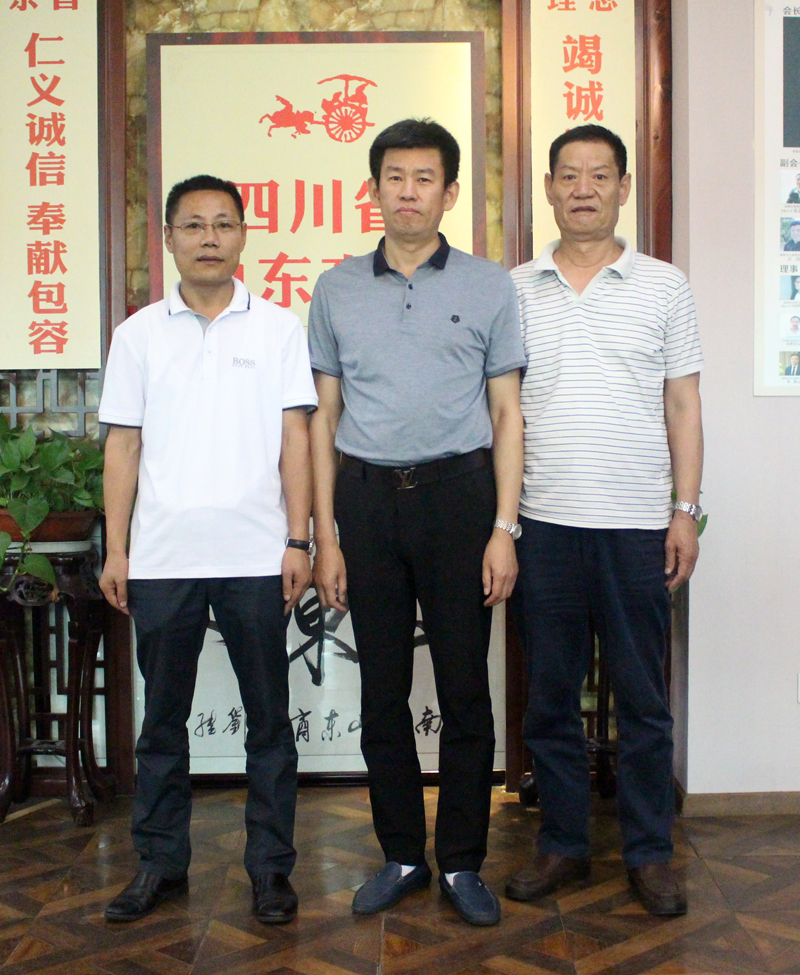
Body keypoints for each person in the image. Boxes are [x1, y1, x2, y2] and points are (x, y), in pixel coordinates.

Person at [308, 119, 525, 927]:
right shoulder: (335, 288)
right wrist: (326, 534)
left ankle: (462, 860)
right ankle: (402, 852)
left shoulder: (488, 285)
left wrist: (504, 526)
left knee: (466, 687)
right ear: (373, 189)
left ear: (450, 192)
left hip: (459, 498)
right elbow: (324, 417)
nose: (408, 191)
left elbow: (507, 413)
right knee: (382, 688)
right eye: (394, 177)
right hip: (366, 503)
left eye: (424, 178)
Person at [99, 175, 317, 925]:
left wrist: (298, 537)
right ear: (168, 238)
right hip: (163, 559)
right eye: (193, 225)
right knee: (162, 723)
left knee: (269, 722)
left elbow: (296, 439)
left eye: (223, 223)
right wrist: (118, 549)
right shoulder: (137, 334)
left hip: (257, 555)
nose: (209, 238)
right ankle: (159, 863)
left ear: (243, 236)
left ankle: (271, 870)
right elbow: (123, 445)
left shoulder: (278, 328)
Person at [507, 124, 704, 917]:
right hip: (543, 523)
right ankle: (563, 842)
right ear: (548, 189)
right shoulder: (515, 288)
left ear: (623, 187)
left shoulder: (664, 285)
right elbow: (502, 410)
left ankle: (650, 853)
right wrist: (503, 524)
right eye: (567, 174)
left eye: (598, 175)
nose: (582, 188)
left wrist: (685, 510)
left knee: (643, 700)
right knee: (550, 698)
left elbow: (683, 402)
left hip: (636, 524)